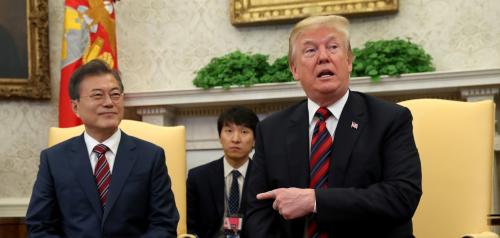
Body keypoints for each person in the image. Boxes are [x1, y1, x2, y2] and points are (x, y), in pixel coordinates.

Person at [244, 15, 422, 238]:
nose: (323, 57)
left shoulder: (390, 119)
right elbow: (256, 212)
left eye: (333, 47)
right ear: (294, 69)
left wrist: (315, 201)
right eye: (310, 50)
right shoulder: (271, 130)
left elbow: (401, 197)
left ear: (348, 61)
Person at [26, 59, 179, 237]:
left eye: (115, 94)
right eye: (97, 95)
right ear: (75, 107)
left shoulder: (151, 156)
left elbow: (164, 224)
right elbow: (39, 226)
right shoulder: (54, 159)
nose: (108, 102)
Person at [187, 106, 259, 238]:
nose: (235, 139)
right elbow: (189, 226)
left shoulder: (264, 177)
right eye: (229, 131)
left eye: (244, 132)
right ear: (220, 137)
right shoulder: (198, 178)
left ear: (254, 140)